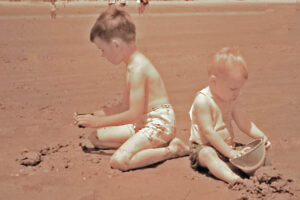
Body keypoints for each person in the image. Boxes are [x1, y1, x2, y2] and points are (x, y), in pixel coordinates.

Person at [74, 7, 189, 171]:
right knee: (96, 137)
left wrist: (98, 122)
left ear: (116, 45)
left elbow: (133, 114)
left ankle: (172, 150)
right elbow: (124, 107)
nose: (102, 54)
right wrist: (93, 115)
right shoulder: (130, 65)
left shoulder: (138, 68)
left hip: (159, 125)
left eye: (102, 49)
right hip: (143, 122)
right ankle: (146, 143)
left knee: (119, 161)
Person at [188, 47, 271, 184]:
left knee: (250, 150)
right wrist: (230, 153)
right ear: (213, 81)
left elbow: (245, 123)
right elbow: (208, 132)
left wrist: (261, 137)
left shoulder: (231, 100)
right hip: (203, 147)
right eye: (233, 89)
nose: (236, 93)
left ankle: (261, 173)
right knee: (208, 155)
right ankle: (232, 178)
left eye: (239, 89)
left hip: (228, 147)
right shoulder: (203, 101)